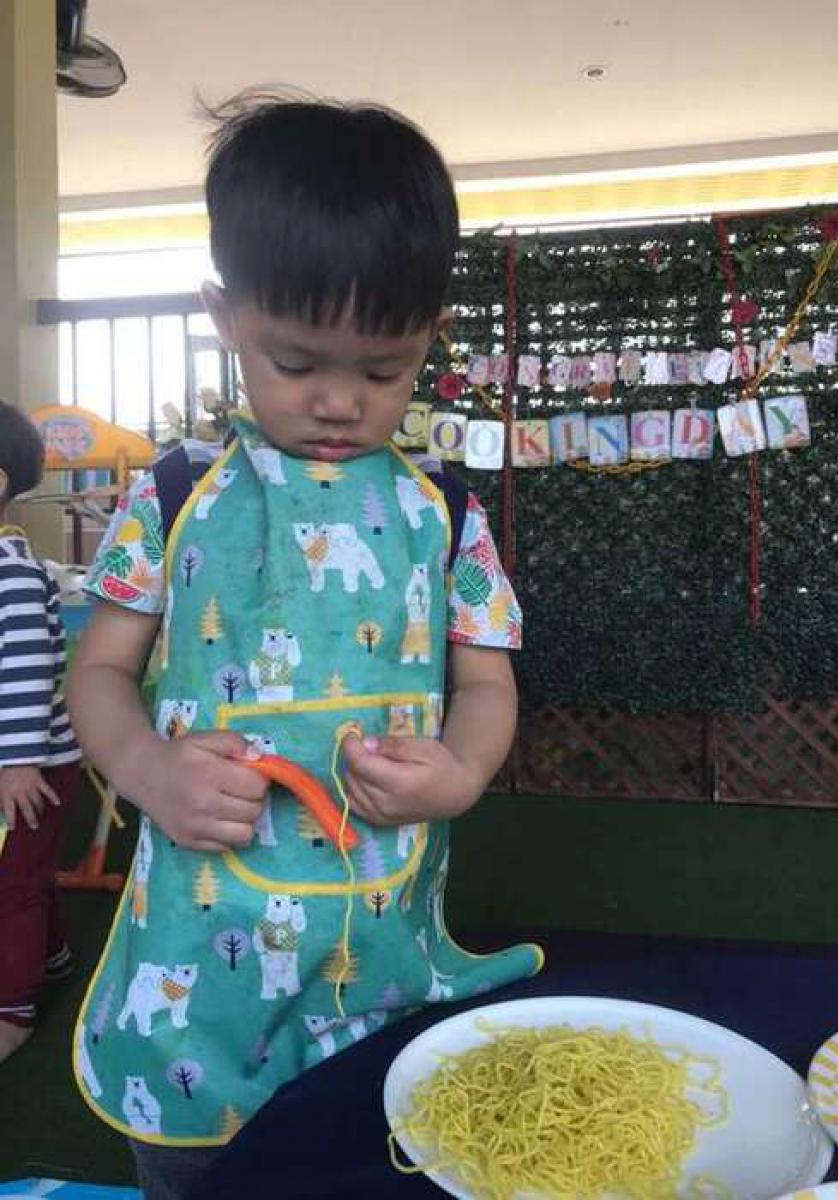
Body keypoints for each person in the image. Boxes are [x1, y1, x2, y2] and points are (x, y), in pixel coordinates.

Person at [67, 93, 542, 1198]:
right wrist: (146, 770)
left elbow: (485, 684)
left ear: (428, 338)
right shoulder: (173, 496)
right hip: (197, 972)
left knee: (367, 1165)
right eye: (296, 361)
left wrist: (463, 770)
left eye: (383, 372)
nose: (338, 402)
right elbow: (99, 671)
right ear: (225, 316)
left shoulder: (445, 512)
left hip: (381, 966)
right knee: (200, 1177)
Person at [0, 399, 82, 1063]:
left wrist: (18, 764)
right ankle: (51, 956)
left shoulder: (14, 573)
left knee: (12, 885)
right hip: (14, 764)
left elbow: (27, 676)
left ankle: (12, 1007)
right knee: (24, 870)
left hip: (31, 767)